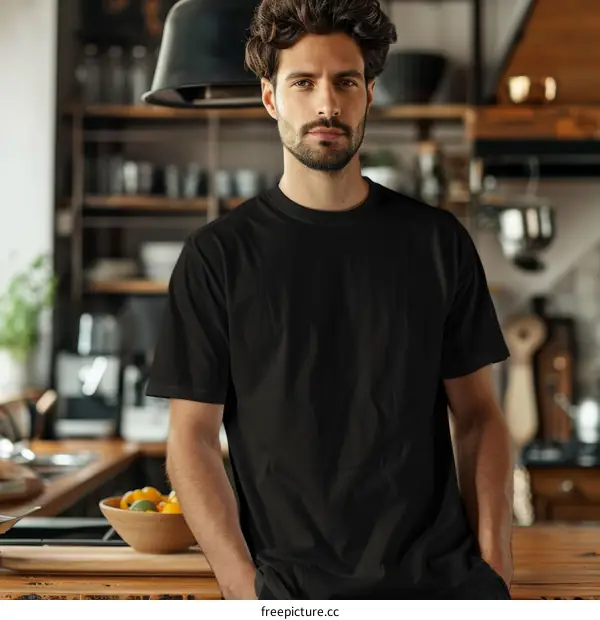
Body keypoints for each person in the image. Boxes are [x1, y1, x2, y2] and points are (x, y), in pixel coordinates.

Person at [146, 0, 514, 600]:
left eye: (346, 81)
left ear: (370, 92)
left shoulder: (437, 242)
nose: (327, 104)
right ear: (270, 98)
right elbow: (190, 441)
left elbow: (480, 418)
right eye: (303, 82)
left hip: (439, 590)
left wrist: (495, 565)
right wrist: (245, 592)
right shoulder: (217, 257)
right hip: (292, 597)